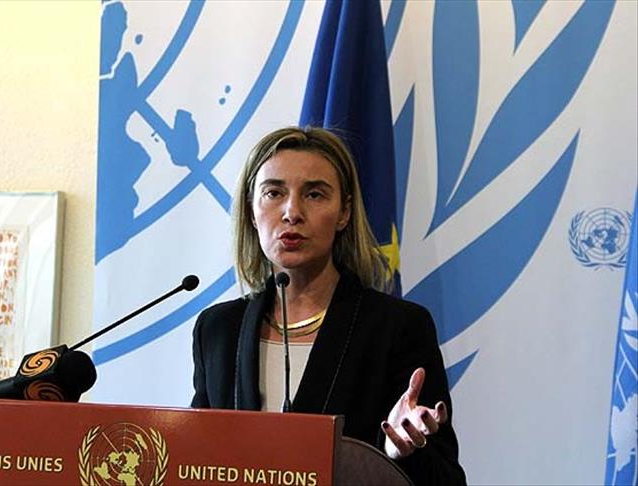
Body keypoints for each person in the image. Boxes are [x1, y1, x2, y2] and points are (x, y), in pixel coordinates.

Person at [191, 126, 466, 485]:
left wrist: (400, 451)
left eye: (314, 194)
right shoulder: (217, 329)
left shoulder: (397, 327)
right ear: (251, 210)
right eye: (273, 193)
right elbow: (197, 459)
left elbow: (447, 480)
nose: (292, 212)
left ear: (344, 212)